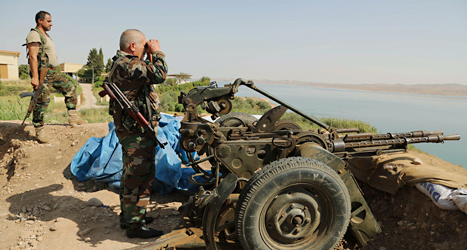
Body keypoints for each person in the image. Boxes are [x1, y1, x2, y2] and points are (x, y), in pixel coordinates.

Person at [109, 29, 168, 239]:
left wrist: (150, 55)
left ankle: (131, 217)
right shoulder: (128, 64)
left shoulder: (123, 64)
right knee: (140, 176)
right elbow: (159, 74)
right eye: (144, 45)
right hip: (136, 132)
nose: (147, 49)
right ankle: (135, 225)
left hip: (133, 131)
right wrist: (158, 52)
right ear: (133, 46)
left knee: (131, 174)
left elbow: (148, 73)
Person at [26, 10, 87, 143]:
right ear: (39, 21)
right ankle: (39, 129)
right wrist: (35, 77)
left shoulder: (45, 35)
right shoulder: (34, 35)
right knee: (42, 100)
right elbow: (32, 56)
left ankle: (73, 117)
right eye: (48, 21)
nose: (51, 24)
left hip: (52, 72)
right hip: (43, 73)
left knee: (70, 87)